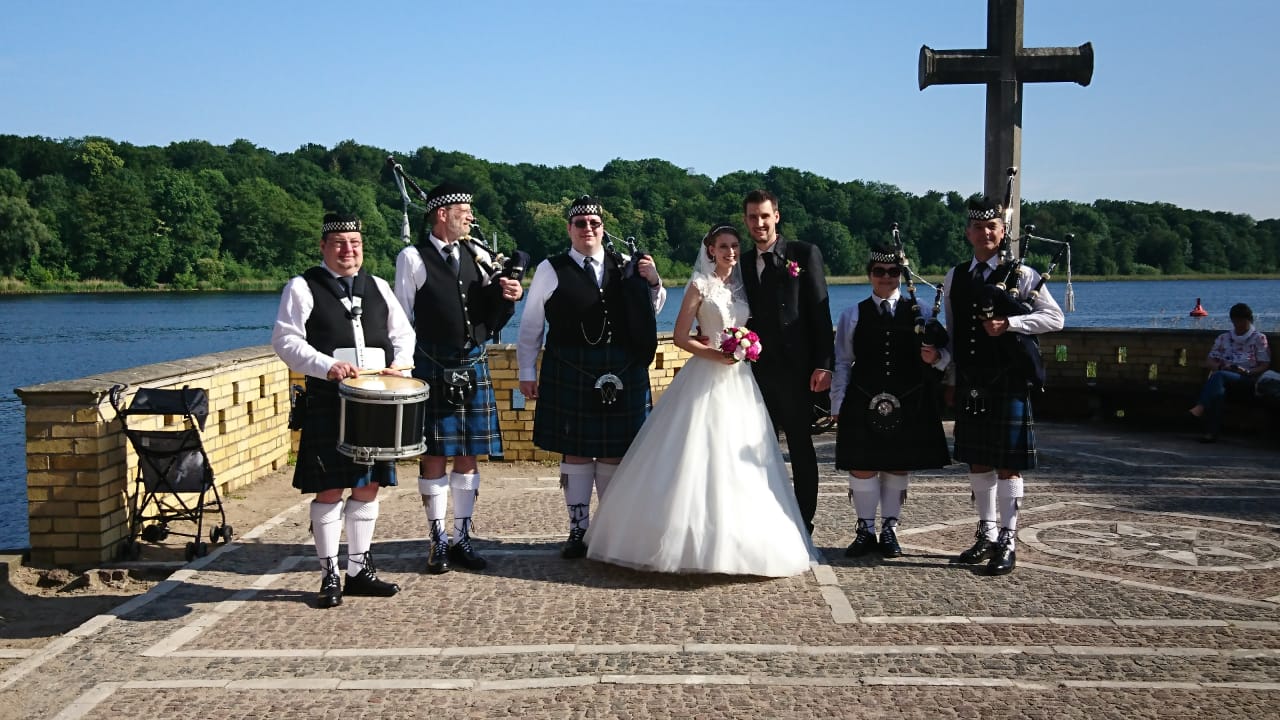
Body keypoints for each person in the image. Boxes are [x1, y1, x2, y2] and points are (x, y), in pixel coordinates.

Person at [586, 225, 814, 576]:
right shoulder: (699, 285)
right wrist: (714, 352)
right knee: (698, 453)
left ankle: (740, 542)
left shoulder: (743, 286)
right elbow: (679, 336)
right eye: (723, 246)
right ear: (710, 250)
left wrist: (747, 345)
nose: (731, 252)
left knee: (742, 460)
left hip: (740, 380)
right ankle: (686, 541)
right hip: (707, 374)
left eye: (735, 246)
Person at [271, 211, 413, 608]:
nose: (348, 250)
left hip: (375, 404)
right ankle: (329, 573)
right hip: (329, 401)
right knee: (330, 489)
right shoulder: (302, 287)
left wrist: (399, 367)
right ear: (323, 247)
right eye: (339, 244)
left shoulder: (380, 287)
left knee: (367, 487)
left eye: (355, 243)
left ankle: (359, 571)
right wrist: (325, 365)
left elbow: (404, 336)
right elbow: (285, 341)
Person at [517, 196, 666, 558]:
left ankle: (609, 529)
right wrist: (525, 370)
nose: (588, 229)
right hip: (570, 366)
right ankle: (578, 530)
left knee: (615, 452)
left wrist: (654, 280)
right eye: (580, 223)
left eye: (594, 224)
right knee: (578, 451)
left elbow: (651, 308)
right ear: (569, 229)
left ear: (603, 228)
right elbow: (532, 323)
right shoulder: (551, 269)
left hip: (620, 366)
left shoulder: (626, 264)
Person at [394, 184, 524, 574]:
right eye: (463, 210)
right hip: (432, 364)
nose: (469, 216)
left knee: (468, 454)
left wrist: (509, 296)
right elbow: (400, 320)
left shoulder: (478, 254)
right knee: (435, 454)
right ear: (440, 215)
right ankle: (437, 540)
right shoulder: (412, 258)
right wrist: (402, 369)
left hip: (472, 361)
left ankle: (462, 537)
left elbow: (490, 312)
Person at [942, 196, 1064, 576]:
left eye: (991, 226)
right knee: (978, 461)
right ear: (968, 233)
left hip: (1009, 379)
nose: (985, 233)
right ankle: (987, 533)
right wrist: (942, 361)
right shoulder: (955, 276)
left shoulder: (1023, 274)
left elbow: (1055, 318)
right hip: (972, 380)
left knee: (1009, 465)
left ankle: (1009, 539)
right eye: (977, 227)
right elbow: (952, 330)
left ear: (1003, 230)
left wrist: (1011, 324)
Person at [830, 246, 951, 559]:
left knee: (897, 465)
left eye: (893, 272)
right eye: (879, 272)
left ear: (901, 275)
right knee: (862, 466)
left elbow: (947, 355)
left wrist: (935, 357)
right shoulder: (852, 314)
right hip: (863, 398)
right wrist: (837, 403)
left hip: (908, 399)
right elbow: (842, 361)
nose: (886, 278)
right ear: (870, 274)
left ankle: (890, 530)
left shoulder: (922, 310)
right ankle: (866, 529)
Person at [740, 190, 834, 535]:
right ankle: (766, 516)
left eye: (764, 216)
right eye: (752, 217)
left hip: (797, 371)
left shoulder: (804, 253)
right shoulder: (743, 263)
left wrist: (824, 364)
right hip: (756, 373)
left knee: (800, 446)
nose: (759, 223)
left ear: (776, 216)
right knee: (757, 448)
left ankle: (803, 521)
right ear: (746, 220)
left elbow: (821, 311)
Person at [1188, 302, 1271, 443]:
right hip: (1225, 377)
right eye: (1236, 321)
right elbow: (1209, 361)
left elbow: (1264, 365)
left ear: (1249, 320)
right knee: (1218, 390)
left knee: (1218, 378)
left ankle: (1200, 407)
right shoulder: (1224, 338)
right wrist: (1221, 367)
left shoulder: (1259, 338)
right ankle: (1211, 433)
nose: (1238, 324)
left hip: (1247, 380)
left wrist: (1248, 371)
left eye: (1241, 321)